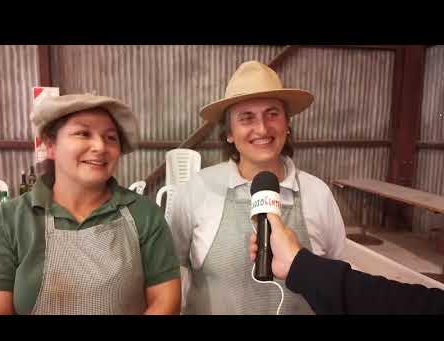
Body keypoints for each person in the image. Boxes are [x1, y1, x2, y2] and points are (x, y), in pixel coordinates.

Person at [0, 94, 181, 315]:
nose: (99, 146)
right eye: (83, 133)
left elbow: (166, 301)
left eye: (111, 138)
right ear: (50, 146)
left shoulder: (145, 216)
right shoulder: (6, 222)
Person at [169, 61, 347, 315]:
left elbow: (336, 281)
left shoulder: (318, 194)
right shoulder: (197, 190)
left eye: (272, 114)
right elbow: (169, 273)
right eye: (247, 118)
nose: (262, 129)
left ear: (287, 124)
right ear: (229, 132)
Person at [249, 213, 444, 314]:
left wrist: (299, 265)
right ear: (229, 136)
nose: (263, 132)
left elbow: (338, 256)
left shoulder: (317, 191)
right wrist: (298, 264)